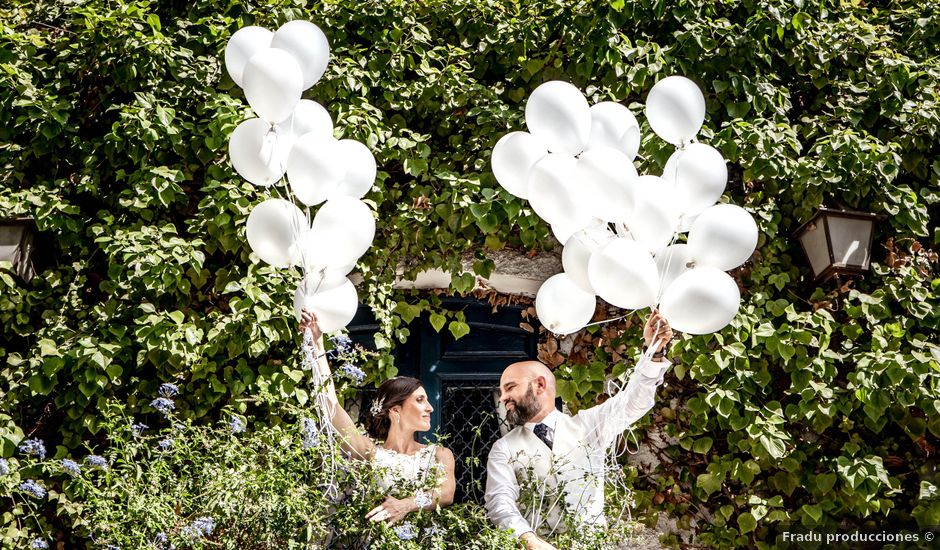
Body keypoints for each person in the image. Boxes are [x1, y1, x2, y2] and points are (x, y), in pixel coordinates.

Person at [484, 310, 675, 550]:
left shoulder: (588, 425)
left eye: (510, 388)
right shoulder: (503, 448)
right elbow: (499, 502)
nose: (503, 398)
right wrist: (531, 541)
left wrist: (653, 352)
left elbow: (632, 402)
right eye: (502, 392)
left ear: (540, 385)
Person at [299, 309, 456, 525]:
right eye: (420, 400)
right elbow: (332, 407)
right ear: (396, 410)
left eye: (427, 400)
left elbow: (445, 494)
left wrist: (406, 504)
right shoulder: (369, 452)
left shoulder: (439, 455)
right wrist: (317, 345)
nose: (429, 407)